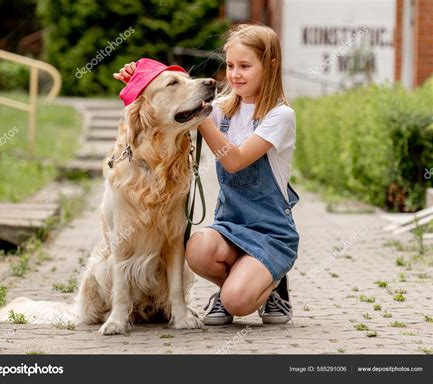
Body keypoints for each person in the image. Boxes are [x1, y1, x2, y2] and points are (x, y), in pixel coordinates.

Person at [114, 23, 299, 326]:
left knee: (236, 302)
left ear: (270, 66)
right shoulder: (222, 107)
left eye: (245, 66)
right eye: (230, 66)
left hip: (271, 233)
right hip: (230, 229)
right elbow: (169, 101)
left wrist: (200, 116)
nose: (235, 74)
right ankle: (242, 280)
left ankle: (271, 285)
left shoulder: (280, 116)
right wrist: (139, 78)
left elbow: (235, 161)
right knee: (196, 248)